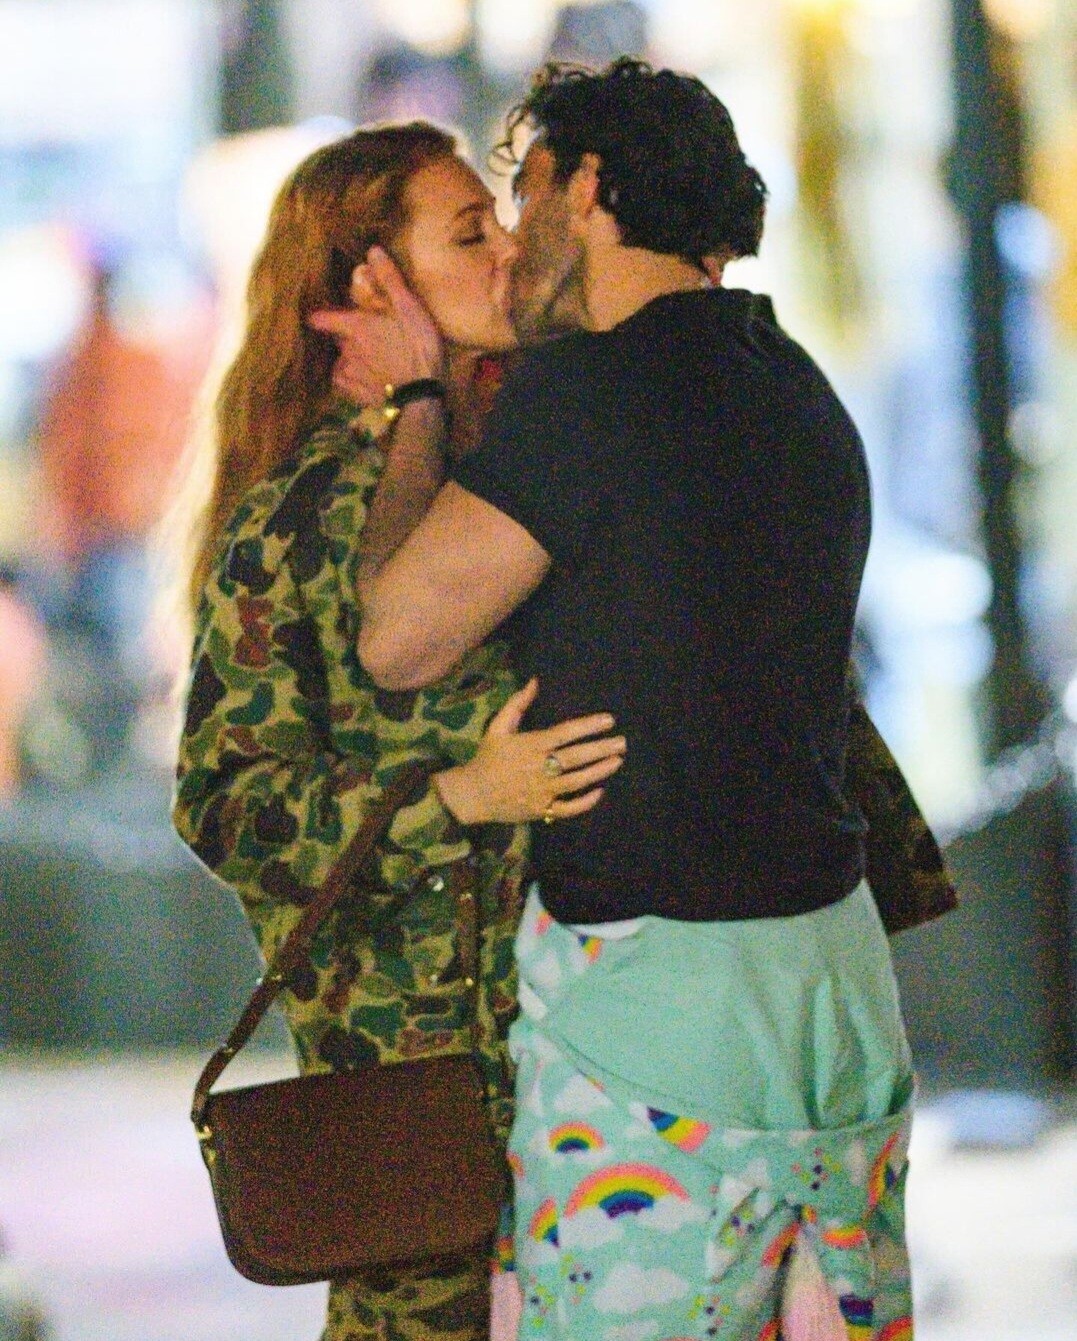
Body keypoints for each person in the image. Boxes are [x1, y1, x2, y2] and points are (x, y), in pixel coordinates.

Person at [343, 60, 922, 1340]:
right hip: (837, 981)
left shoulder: (594, 393)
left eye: (523, 195)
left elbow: (397, 639)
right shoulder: (799, 387)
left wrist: (418, 399)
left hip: (663, 1007)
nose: (511, 245)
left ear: (590, 187)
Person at [170, 123, 628, 1341]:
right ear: (369, 286)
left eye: (501, 221)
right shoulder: (296, 522)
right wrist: (457, 799)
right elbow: (228, 807)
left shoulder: (527, 466)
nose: (507, 251)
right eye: (468, 235)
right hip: (414, 1098)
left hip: (599, 1066)